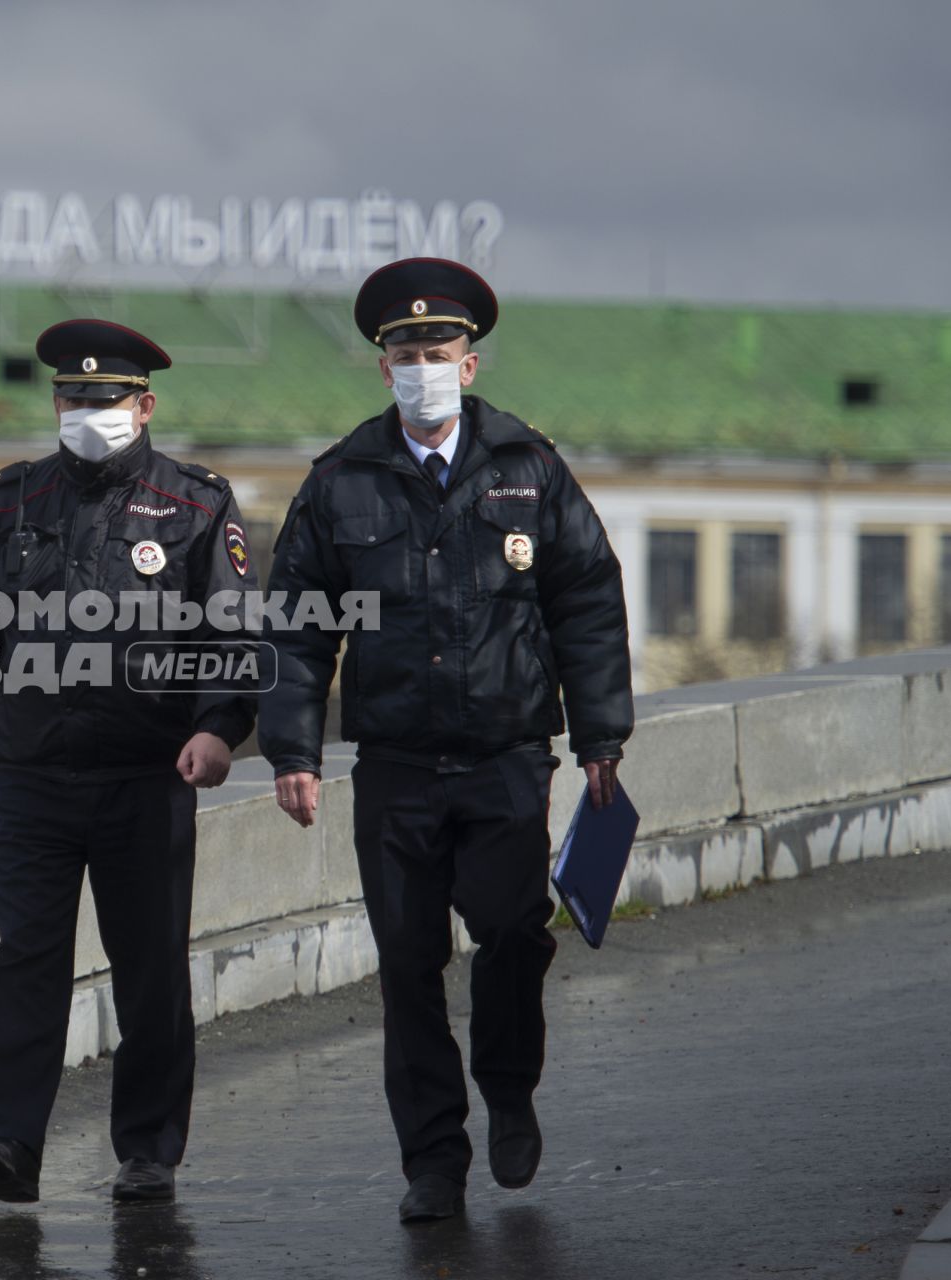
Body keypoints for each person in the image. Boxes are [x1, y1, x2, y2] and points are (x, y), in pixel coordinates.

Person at [259, 258, 634, 1224]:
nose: (422, 363)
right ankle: (433, 1159)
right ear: (383, 368)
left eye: (438, 348)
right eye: (405, 351)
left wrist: (600, 734)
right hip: (395, 769)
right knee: (408, 963)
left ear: (469, 364)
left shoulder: (528, 469)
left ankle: (508, 1093)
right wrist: (293, 749)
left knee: (512, 936)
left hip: (508, 755)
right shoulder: (341, 483)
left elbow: (586, 598)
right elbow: (298, 626)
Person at [0, 318, 257, 1205]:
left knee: (148, 968)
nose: (87, 411)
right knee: (26, 958)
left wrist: (220, 727)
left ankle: (147, 1150)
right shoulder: (9, 503)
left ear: (144, 405)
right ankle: (8, 1142)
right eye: (73, 397)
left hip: (147, 779)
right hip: (30, 777)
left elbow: (233, 628)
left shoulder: (196, 505)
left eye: (106, 399)